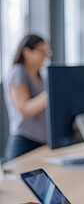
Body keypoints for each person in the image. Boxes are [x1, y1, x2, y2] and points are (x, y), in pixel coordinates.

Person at [3, 34, 51, 162]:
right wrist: (51, 93)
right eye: (42, 52)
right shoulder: (18, 72)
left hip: (42, 139)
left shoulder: (41, 76)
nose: (45, 56)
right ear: (27, 52)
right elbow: (24, 108)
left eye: (47, 52)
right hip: (24, 139)